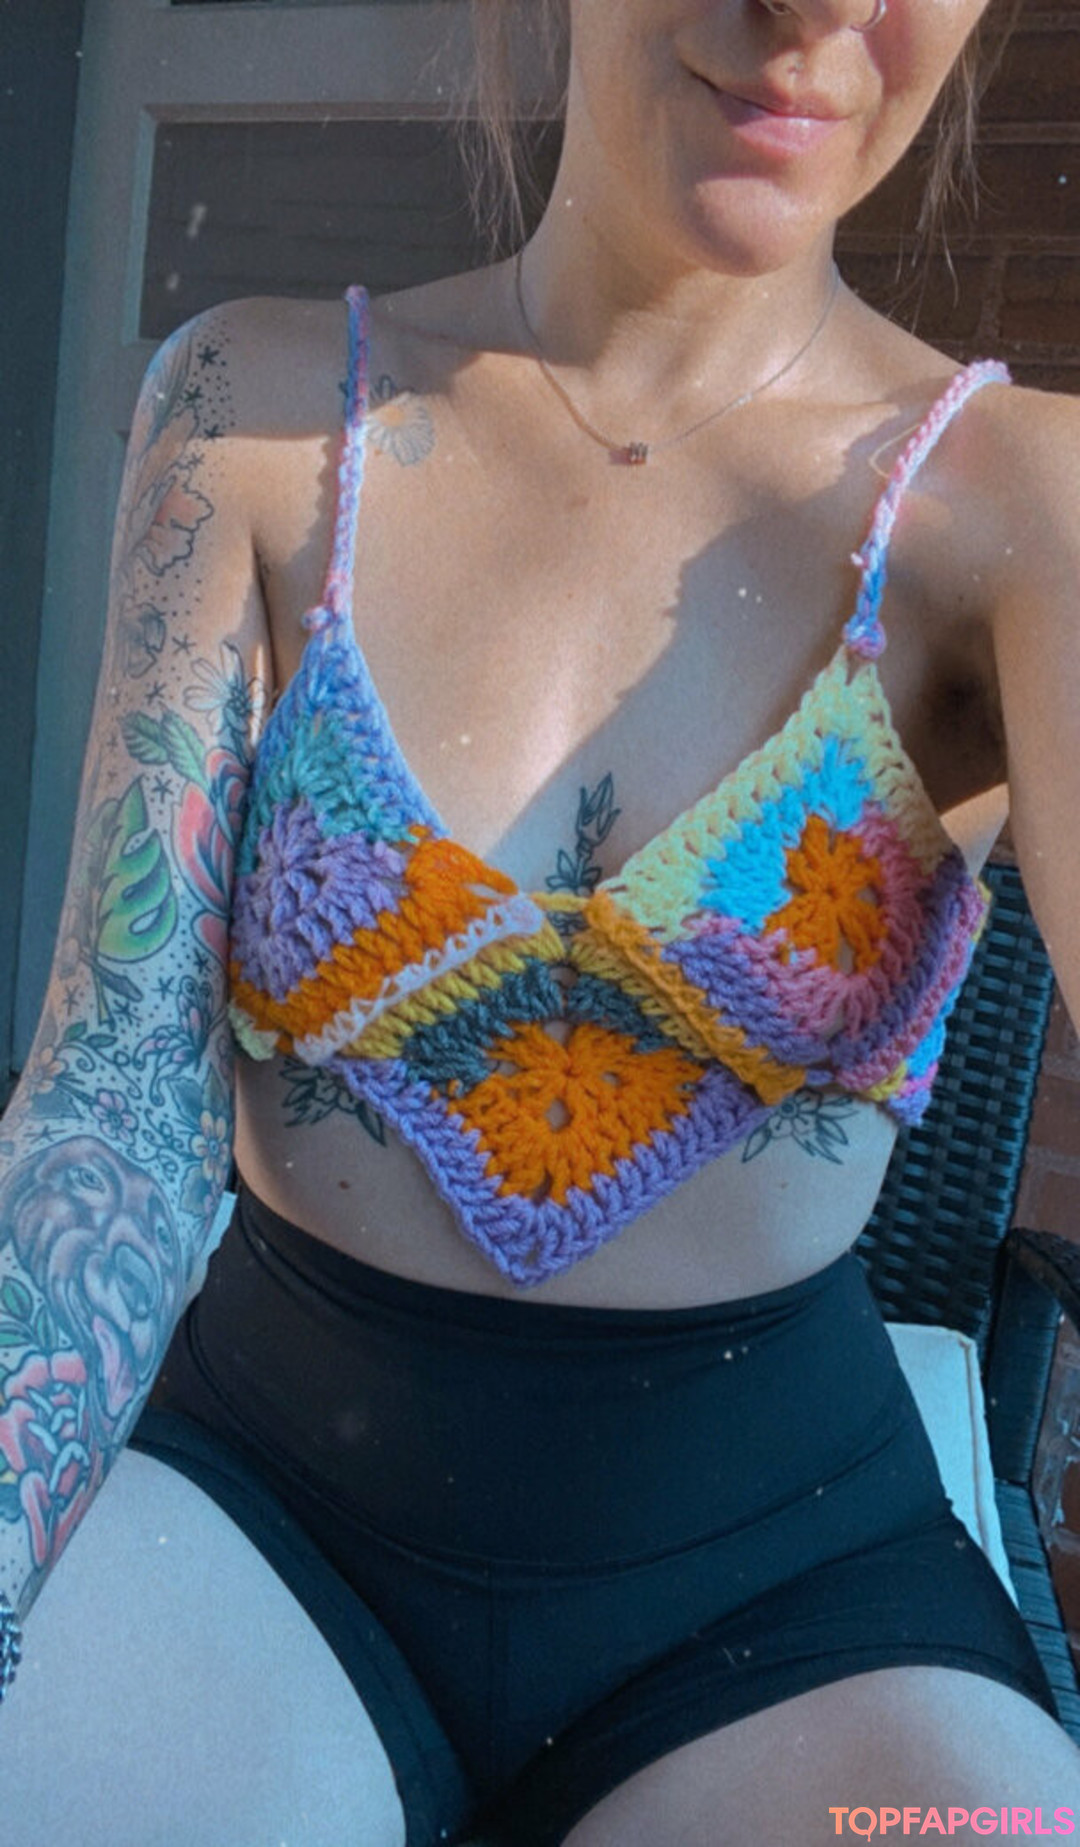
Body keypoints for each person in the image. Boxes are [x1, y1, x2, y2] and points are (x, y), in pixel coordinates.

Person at [3, 0, 1080, 1840]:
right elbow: (106, 1103)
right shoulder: (251, 417)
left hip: (791, 1595)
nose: (818, 7)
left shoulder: (1026, 510)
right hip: (259, 1525)